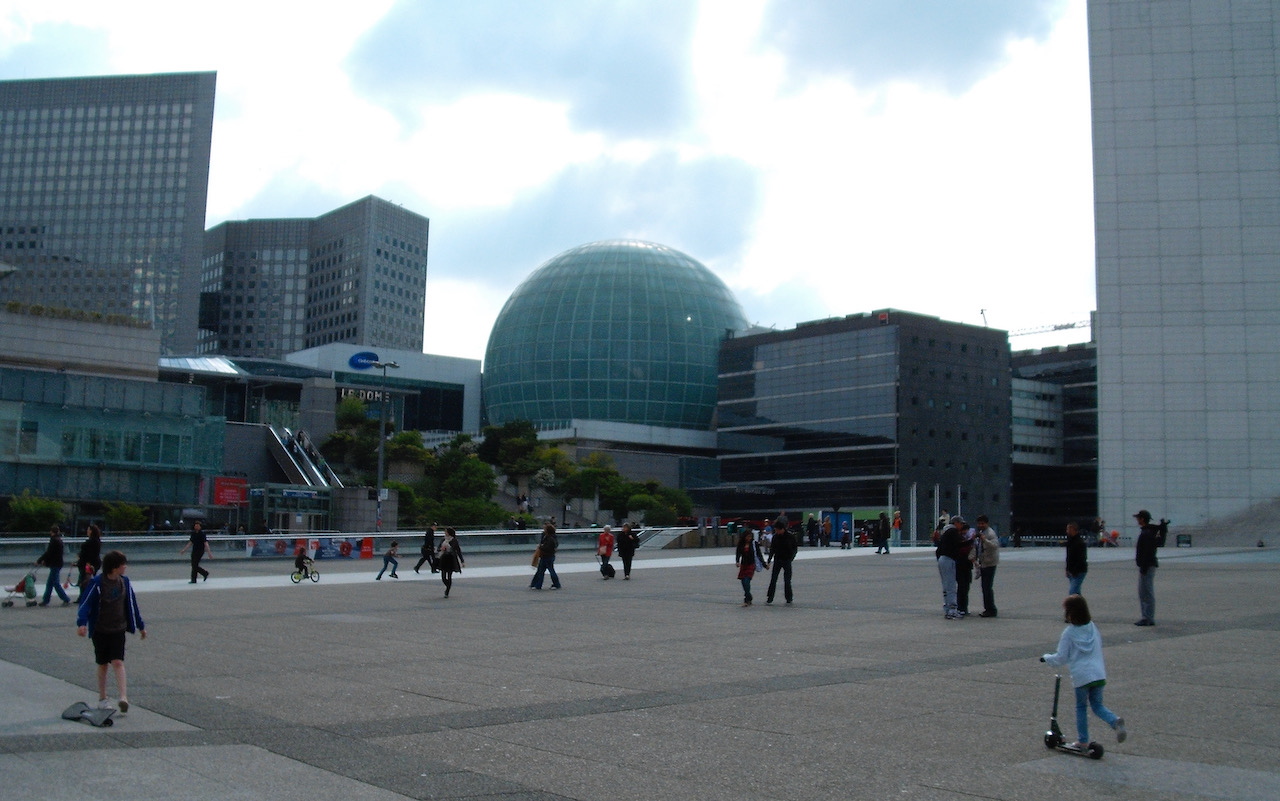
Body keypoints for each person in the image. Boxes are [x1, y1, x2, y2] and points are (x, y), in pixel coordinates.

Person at [1040, 594, 1126, 749]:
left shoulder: (1069, 633)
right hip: (1098, 674)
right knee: (1097, 705)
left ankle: (1083, 740)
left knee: (1081, 707)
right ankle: (1114, 721)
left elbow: (1061, 657)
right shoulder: (1092, 627)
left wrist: (1046, 658)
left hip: (1082, 676)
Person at [76, 550, 146, 713]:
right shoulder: (97, 583)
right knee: (102, 664)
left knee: (118, 661)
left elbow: (132, 605)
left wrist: (140, 626)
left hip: (118, 629)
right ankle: (102, 698)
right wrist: (82, 623)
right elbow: (85, 604)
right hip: (100, 630)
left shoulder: (125, 582)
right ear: (115, 567)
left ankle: (123, 697)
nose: (125, 567)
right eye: (123, 564)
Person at [1133, 510, 1160, 626]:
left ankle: (1148, 617)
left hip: (1147, 566)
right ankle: (1146, 616)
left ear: (1142, 519)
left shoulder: (1147, 533)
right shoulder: (1148, 532)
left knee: (1146, 591)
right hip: (1147, 565)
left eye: (1138, 518)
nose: (1137, 520)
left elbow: (1147, 552)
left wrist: (1143, 567)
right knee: (1144, 591)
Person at [766, 516, 797, 605]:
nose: (776, 532)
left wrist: (791, 558)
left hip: (787, 560)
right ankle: (770, 597)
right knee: (773, 579)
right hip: (778, 560)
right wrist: (769, 560)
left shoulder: (790, 537)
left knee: (787, 580)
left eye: (777, 530)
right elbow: (772, 549)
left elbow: (795, 548)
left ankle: (789, 597)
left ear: (782, 529)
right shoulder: (775, 537)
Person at [935, 516, 962, 620]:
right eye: (961, 524)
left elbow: (938, 550)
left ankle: (947, 608)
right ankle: (952, 609)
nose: (961, 526)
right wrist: (970, 541)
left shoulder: (945, 532)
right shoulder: (953, 532)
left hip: (942, 559)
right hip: (949, 559)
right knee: (951, 585)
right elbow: (958, 545)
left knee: (945, 585)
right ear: (956, 523)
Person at [36, 524, 70, 606]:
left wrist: (40, 560)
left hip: (55, 564)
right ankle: (46, 600)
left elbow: (49, 553)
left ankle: (65, 598)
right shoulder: (59, 540)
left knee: (55, 583)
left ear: (51, 532)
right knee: (50, 583)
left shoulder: (54, 541)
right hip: (58, 563)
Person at [974, 515, 1000, 618]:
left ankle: (991, 609)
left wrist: (985, 540)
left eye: (982, 523)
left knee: (987, 587)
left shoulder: (990, 533)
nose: (980, 525)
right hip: (984, 563)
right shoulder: (981, 533)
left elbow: (995, 546)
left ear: (986, 523)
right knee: (985, 587)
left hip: (990, 563)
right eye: (979, 523)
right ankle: (988, 608)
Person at [75, 523, 103, 602]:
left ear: (91, 531)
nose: (87, 531)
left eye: (88, 530)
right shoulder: (97, 541)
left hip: (87, 564)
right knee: (86, 580)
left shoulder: (90, 542)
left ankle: (84, 597)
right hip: (93, 564)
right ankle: (83, 597)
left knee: (84, 581)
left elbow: (87, 554)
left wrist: (83, 561)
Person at [734, 528, 762, 606]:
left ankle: (746, 599)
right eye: (747, 537)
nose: (749, 538)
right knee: (743, 582)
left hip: (751, 564)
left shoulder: (754, 544)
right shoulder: (741, 544)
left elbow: (759, 554)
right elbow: (738, 553)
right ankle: (749, 596)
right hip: (743, 564)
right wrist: (737, 561)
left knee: (746, 581)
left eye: (750, 537)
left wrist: (764, 564)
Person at [530, 523, 561, 590]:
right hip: (549, 556)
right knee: (545, 570)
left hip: (546, 556)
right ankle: (537, 584)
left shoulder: (549, 538)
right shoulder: (553, 537)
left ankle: (538, 585)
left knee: (543, 571)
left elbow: (547, 548)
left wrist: (540, 547)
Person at [955, 522, 976, 616]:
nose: (965, 532)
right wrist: (971, 542)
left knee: (966, 587)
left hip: (967, 566)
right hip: (960, 565)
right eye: (963, 530)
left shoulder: (966, 538)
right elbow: (962, 549)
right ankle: (960, 607)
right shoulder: (959, 538)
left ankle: (964, 607)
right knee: (962, 587)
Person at [437, 527, 464, 597]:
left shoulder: (454, 540)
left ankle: (447, 591)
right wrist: (441, 549)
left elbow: (458, 551)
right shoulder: (443, 539)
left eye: (446, 531)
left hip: (451, 559)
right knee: (443, 576)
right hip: (443, 558)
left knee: (449, 575)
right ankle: (448, 586)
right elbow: (438, 548)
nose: (445, 533)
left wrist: (462, 561)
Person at [1065, 522, 1088, 595]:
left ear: (1074, 530)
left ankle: (1076, 605)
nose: (1067, 531)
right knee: (1076, 592)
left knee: (1073, 592)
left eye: (1068, 529)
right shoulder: (1070, 541)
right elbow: (1068, 557)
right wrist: (1067, 569)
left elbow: (1081, 558)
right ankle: (1080, 605)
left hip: (1079, 571)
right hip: (1071, 571)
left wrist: (1075, 571)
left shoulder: (1080, 543)